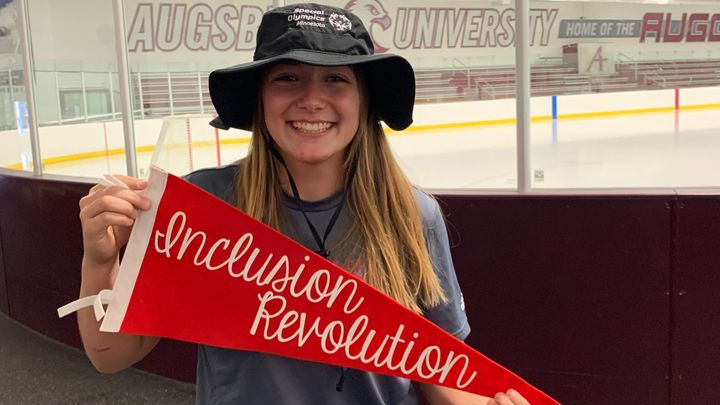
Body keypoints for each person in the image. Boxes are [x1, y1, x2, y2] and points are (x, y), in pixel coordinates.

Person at [77, 3, 530, 405]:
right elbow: (110, 356)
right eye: (288, 78)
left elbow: (434, 369)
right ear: (259, 99)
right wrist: (100, 261)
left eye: (336, 79)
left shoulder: (411, 215)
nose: (312, 99)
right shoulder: (202, 207)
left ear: (364, 101)